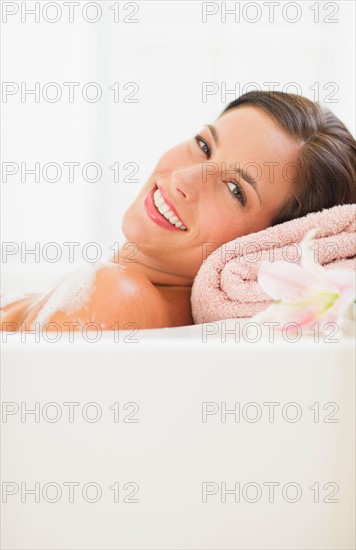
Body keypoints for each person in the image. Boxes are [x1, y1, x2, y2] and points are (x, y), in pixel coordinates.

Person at [1, 91, 355, 331]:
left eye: (235, 190)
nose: (185, 178)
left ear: (268, 243)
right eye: (204, 146)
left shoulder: (116, 295)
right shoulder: (118, 292)